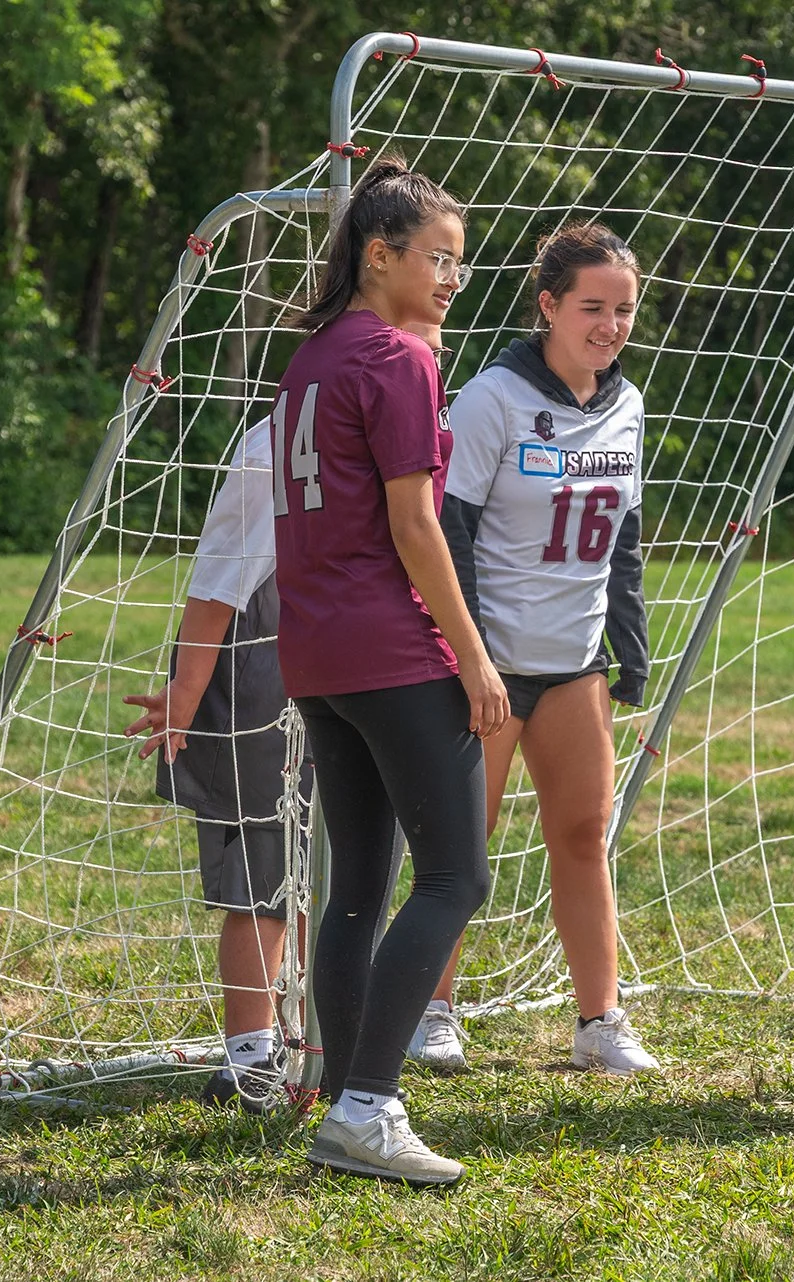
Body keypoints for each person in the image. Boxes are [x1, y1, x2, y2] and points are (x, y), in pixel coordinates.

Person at [122, 318, 453, 1115]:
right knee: (259, 876)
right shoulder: (270, 447)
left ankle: (320, 1042)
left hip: (339, 662)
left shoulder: (394, 438)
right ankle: (250, 1054)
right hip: (254, 675)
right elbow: (215, 587)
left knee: (333, 864)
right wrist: (189, 692)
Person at [272, 156, 507, 1186]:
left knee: (360, 882)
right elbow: (416, 528)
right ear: (381, 254)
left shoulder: (314, 354)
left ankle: (340, 1096)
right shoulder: (396, 360)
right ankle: (367, 1106)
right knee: (455, 876)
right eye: (440, 258)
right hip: (393, 647)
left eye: (462, 261)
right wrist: (473, 655)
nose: (454, 276)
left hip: (317, 651)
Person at [407, 220, 658, 1076]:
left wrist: (631, 649)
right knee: (459, 850)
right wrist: (468, 656)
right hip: (488, 664)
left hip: (575, 662)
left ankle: (600, 1021)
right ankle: (430, 1012)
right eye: (593, 306)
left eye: (624, 308)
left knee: (585, 836)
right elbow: (450, 531)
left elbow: (622, 538)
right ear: (548, 306)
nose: (611, 325)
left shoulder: (626, 404)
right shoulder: (491, 398)